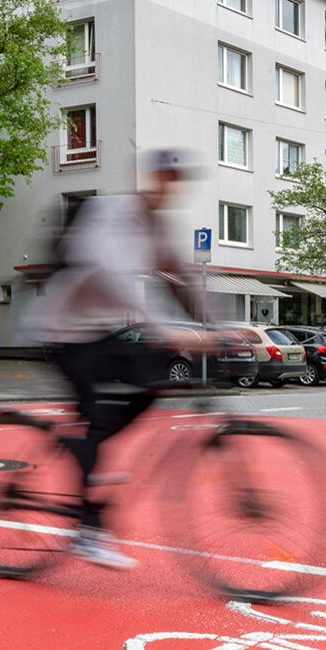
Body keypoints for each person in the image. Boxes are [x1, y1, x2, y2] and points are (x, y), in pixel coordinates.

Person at [22, 149, 208, 569]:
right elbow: (114, 278)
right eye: (163, 178)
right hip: (62, 333)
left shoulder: (155, 228)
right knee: (91, 419)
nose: (168, 188)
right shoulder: (107, 215)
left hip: (103, 331)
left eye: (175, 182)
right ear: (147, 177)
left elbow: (185, 279)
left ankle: (87, 445)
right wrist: (169, 329)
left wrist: (220, 326)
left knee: (160, 378)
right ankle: (87, 532)